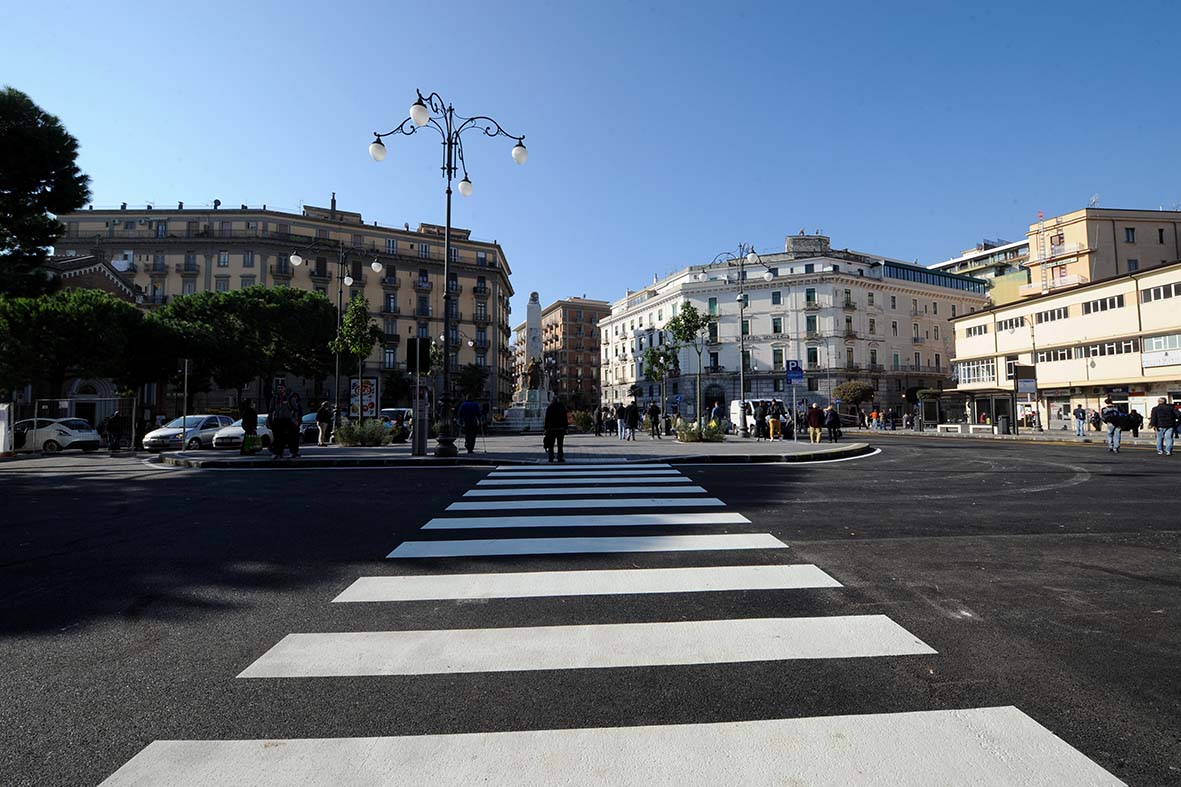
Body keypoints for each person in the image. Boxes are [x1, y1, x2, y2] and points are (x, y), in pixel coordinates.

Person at [268, 387, 300, 459]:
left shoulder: (289, 398)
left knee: (291, 437)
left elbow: (295, 409)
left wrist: (295, 420)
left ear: (285, 389)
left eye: (282, 388)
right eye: (278, 388)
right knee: (278, 437)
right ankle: (278, 452)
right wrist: (269, 420)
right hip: (278, 419)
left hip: (288, 420)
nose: (280, 390)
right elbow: (271, 410)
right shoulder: (274, 399)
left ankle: (293, 452)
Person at [543, 396, 568, 462]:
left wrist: (545, 428)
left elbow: (547, 418)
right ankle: (560, 457)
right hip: (560, 428)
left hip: (551, 428)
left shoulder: (550, 407)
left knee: (551, 444)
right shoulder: (561, 407)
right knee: (560, 444)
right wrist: (566, 427)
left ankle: (551, 457)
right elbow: (564, 417)